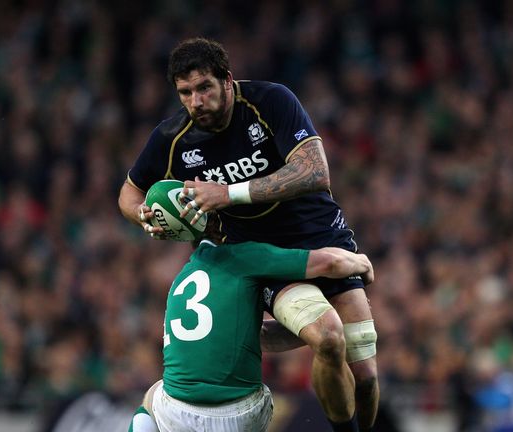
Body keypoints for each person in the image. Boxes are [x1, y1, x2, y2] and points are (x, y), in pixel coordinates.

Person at [119, 37, 379, 431]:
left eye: (204, 87)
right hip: (263, 257)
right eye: (185, 93)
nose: (195, 101)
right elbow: (129, 191)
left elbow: (314, 172)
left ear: (228, 80)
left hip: (321, 235)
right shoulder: (173, 137)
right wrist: (143, 216)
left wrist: (227, 193)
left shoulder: (271, 102)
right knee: (327, 337)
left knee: (367, 376)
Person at [128, 213, 375, 432]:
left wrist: (311, 331)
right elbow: (329, 263)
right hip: (242, 414)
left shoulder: (181, 278)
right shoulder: (244, 255)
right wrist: (361, 263)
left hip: (177, 413)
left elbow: (251, 337)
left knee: (153, 396)